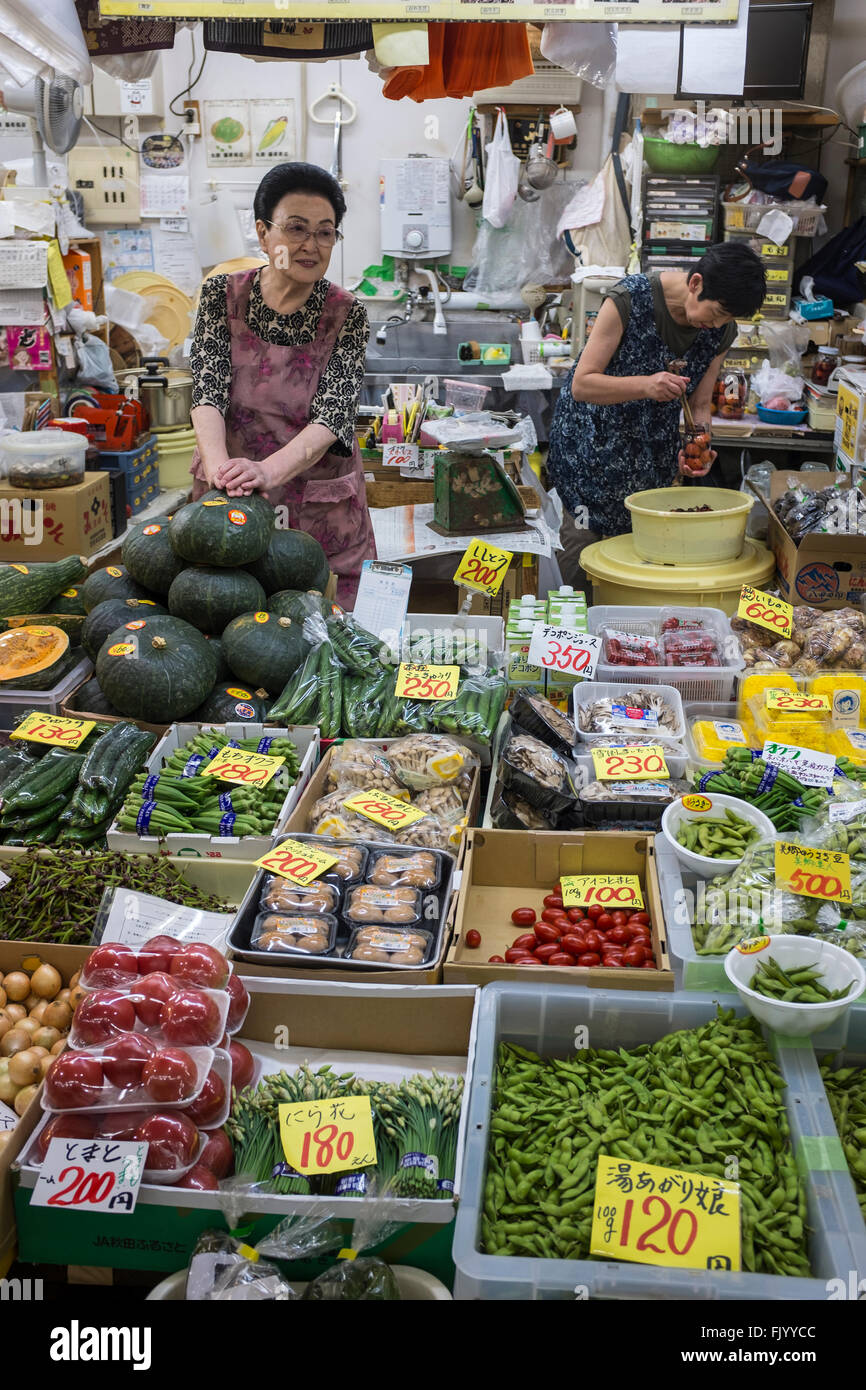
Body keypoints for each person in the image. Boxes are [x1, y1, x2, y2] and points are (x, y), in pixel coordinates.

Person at [189, 161, 376, 606]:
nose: (311, 245)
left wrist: (264, 473)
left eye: (326, 232)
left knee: (331, 637)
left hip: (318, 510)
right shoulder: (221, 295)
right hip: (229, 496)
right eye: (296, 228)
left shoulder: (347, 313)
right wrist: (220, 469)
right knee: (227, 618)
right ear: (263, 232)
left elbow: (333, 415)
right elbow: (207, 387)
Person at [547, 242, 767, 586]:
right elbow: (583, 384)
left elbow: (698, 403)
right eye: (717, 312)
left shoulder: (720, 330)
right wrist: (647, 385)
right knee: (581, 557)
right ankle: (571, 631)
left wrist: (699, 446)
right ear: (695, 284)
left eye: (728, 318)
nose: (718, 324)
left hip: (650, 457)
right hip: (589, 454)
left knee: (639, 562)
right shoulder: (628, 300)